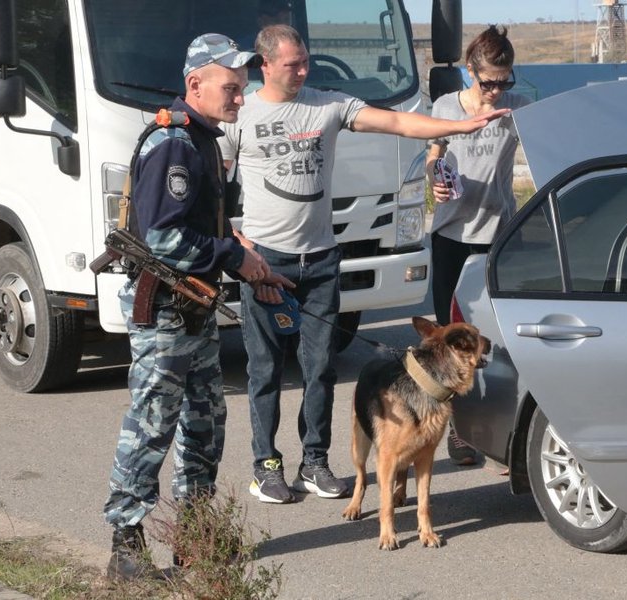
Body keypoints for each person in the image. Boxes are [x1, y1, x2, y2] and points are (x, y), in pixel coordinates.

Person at [219, 24, 510, 505]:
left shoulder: (328, 104)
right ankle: (265, 466)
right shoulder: (241, 115)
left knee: (320, 369)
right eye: (293, 64)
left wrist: (458, 128)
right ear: (264, 65)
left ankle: (315, 462)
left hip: (320, 260)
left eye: (305, 61)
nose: (303, 71)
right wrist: (238, 245)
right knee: (265, 370)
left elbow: (396, 123)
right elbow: (213, 186)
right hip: (266, 262)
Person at [103, 33, 286, 580]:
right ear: (195, 84)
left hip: (195, 311)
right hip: (164, 313)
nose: (241, 97)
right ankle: (126, 547)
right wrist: (233, 255)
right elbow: (164, 240)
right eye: (232, 87)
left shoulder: (203, 139)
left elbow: (203, 225)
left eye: (243, 86)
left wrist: (249, 259)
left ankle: (195, 537)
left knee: (204, 424)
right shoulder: (174, 144)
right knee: (152, 425)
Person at [426, 25, 530, 467]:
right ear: (471, 71)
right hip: (452, 235)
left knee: (501, 338)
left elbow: (551, 144)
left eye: (504, 82)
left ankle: (504, 429)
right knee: (451, 339)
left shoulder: (517, 107)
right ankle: (460, 429)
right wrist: (434, 177)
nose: (496, 91)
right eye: (488, 83)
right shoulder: (446, 107)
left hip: (498, 236)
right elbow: (433, 154)